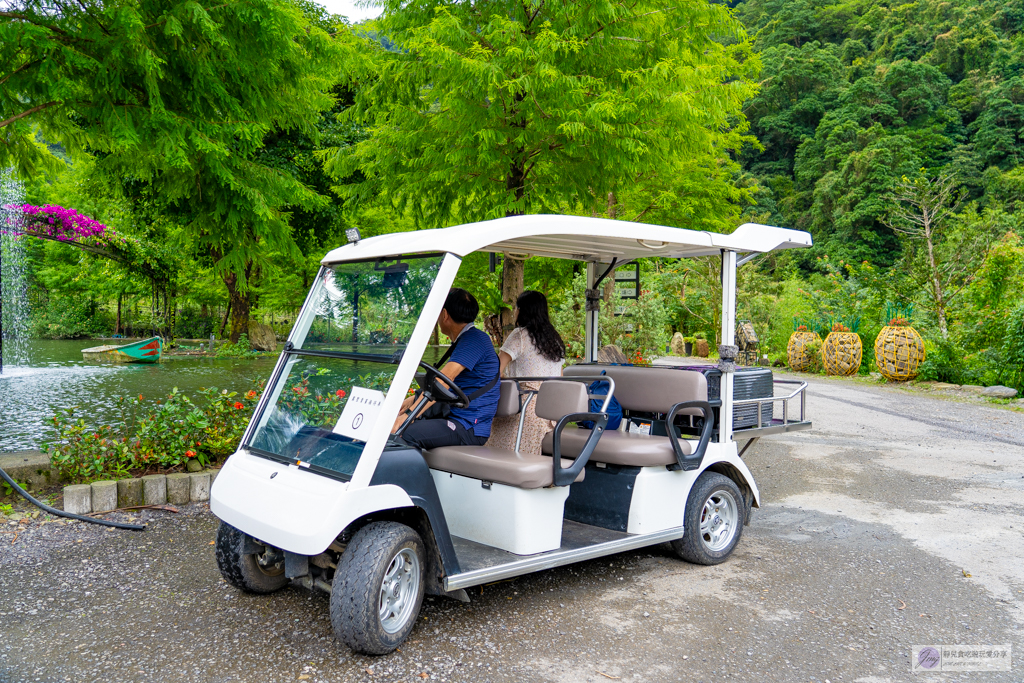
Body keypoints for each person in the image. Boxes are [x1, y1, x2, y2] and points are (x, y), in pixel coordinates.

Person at [393, 288, 500, 450]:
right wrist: (411, 402)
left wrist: (407, 417)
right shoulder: (465, 340)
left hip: (469, 426)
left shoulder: (475, 340)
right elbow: (442, 383)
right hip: (454, 416)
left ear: (444, 314)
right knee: (389, 425)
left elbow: (443, 380)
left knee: (403, 433)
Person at [486, 290, 566, 455]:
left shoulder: (520, 335)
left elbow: (495, 370)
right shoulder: (555, 339)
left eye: (516, 308)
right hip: (552, 409)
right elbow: (560, 376)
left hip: (526, 406)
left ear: (521, 310)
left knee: (491, 434)